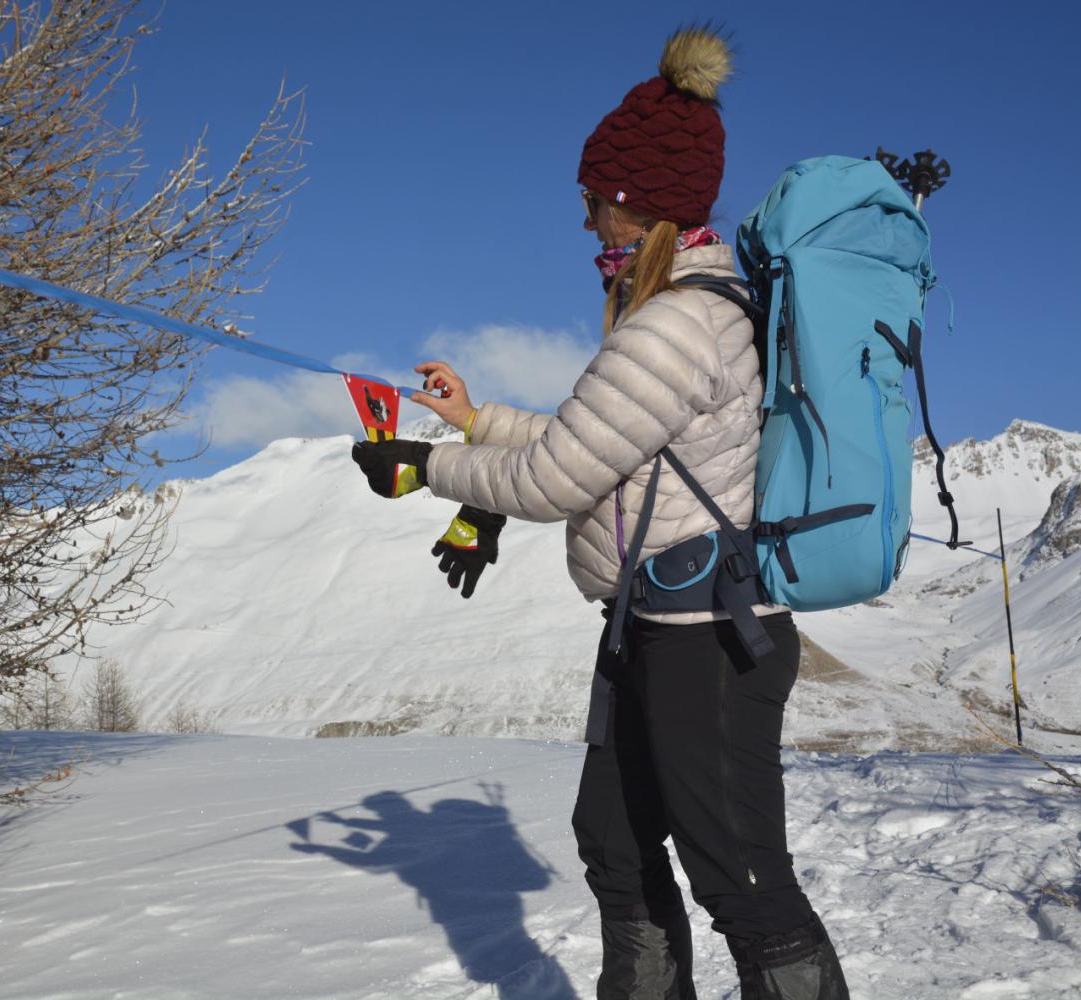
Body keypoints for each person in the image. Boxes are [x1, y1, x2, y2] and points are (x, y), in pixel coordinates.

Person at [350, 27, 850, 1000]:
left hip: (704, 635)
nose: (589, 224)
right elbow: (591, 441)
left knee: (737, 873)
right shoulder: (668, 317)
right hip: (648, 621)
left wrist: (427, 469)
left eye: (594, 202)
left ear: (639, 201)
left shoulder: (676, 325)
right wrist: (476, 418)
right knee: (614, 844)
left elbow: (554, 480)